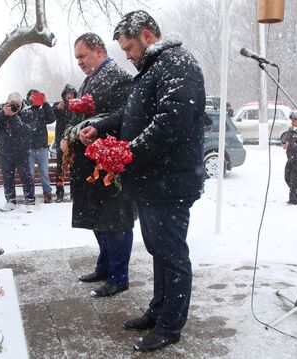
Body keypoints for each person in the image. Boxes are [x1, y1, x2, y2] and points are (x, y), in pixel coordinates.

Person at [78, 11, 206, 352]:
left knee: (172, 255)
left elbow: (171, 122)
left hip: (171, 182)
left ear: (148, 36)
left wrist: (127, 152)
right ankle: (158, 310)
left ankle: (170, 325)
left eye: (130, 47)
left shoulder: (177, 64)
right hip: (153, 182)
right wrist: (103, 126)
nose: (128, 55)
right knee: (158, 251)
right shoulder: (153, 69)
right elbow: (133, 114)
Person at [60, 32, 135, 298]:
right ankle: (105, 267)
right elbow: (76, 116)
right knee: (98, 219)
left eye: (83, 55)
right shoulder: (87, 81)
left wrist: (96, 127)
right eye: (77, 57)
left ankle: (119, 276)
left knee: (115, 220)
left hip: (108, 162)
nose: (79, 61)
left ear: (99, 50)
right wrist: (67, 137)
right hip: (88, 163)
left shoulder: (120, 78)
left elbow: (125, 114)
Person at [0, 92, 36, 211]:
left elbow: (25, 131)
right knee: (7, 177)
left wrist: (13, 116)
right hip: (4, 150)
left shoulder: (28, 112)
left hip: (22, 151)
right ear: (7, 102)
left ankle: (30, 200)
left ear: (22, 103)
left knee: (26, 176)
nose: (16, 107)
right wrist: (3, 113)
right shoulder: (3, 108)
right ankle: (10, 201)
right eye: (13, 104)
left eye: (18, 104)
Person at [21, 89, 56, 203]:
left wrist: (45, 103)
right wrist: (28, 103)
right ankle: (30, 196)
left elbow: (51, 119)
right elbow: (22, 117)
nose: (35, 98)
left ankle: (47, 194)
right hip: (29, 147)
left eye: (37, 96)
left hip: (42, 146)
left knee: (44, 172)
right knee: (29, 173)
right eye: (32, 96)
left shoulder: (42, 111)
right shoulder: (25, 110)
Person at [53, 84, 77, 202]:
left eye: (72, 94)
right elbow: (51, 117)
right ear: (64, 95)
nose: (70, 96)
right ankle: (59, 194)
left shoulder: (77, 106)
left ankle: (74, 193)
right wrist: (57, 109)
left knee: (74, 169)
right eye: (68, 93)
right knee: (60, 169)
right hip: (61, 141)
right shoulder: (59, 105)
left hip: (73, 141)